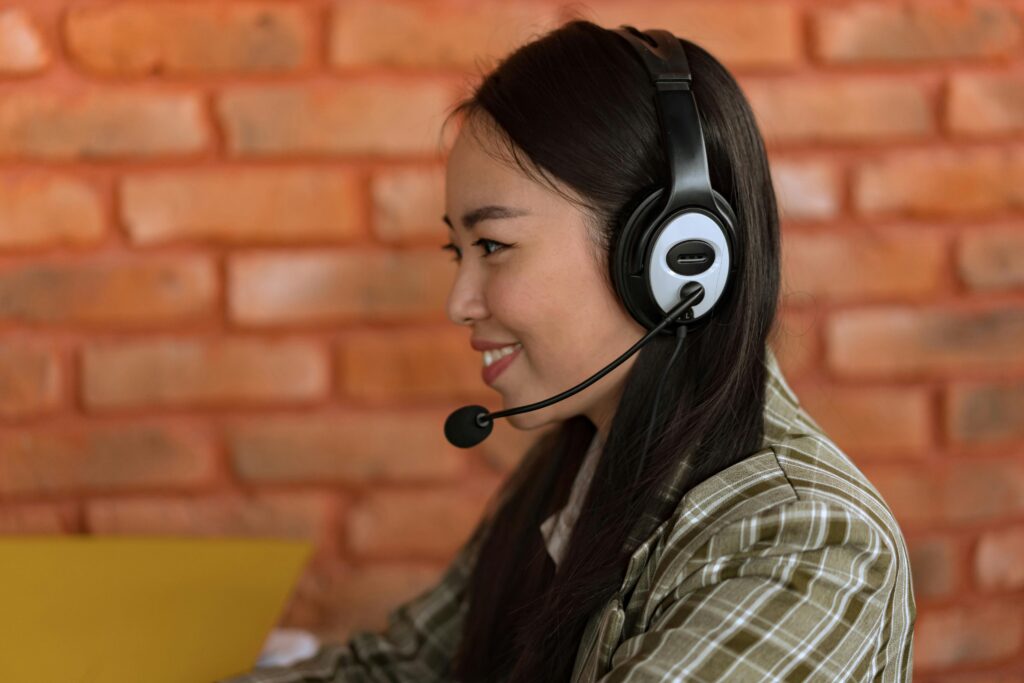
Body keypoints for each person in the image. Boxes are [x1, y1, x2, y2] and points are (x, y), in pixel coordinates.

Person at [220, 19, 915, 683]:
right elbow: (403, 668)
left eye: (493, 246)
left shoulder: (806, 544)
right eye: (457, 251)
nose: (458, 301)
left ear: (675, 260)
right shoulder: (580, 463)